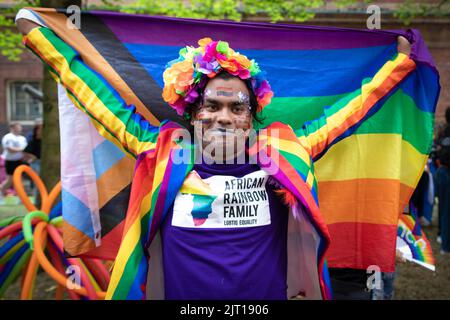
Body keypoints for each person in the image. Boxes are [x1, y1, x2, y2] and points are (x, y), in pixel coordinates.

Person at [16, 18, 414, 300]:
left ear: (250, 117)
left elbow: (350, 111)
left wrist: (397, 65)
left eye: (236, 109)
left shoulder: (284, 155)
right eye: (213, 105)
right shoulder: (164, 153)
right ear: (193, 112)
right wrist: (42, 39)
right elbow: (98, 99)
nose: (224, 117)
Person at [0, 122, 28, 197]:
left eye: (20, 127)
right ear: (12, 128)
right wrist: (21, 149)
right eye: (18, 127)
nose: (20, 128)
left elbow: (26, 150)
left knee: (20, 180)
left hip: (20, 161)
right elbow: (10, 149)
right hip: (10, 161)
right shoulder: (8, 137)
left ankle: (21, 197)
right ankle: (1, 193)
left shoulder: (22, 138)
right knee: (9, 181)